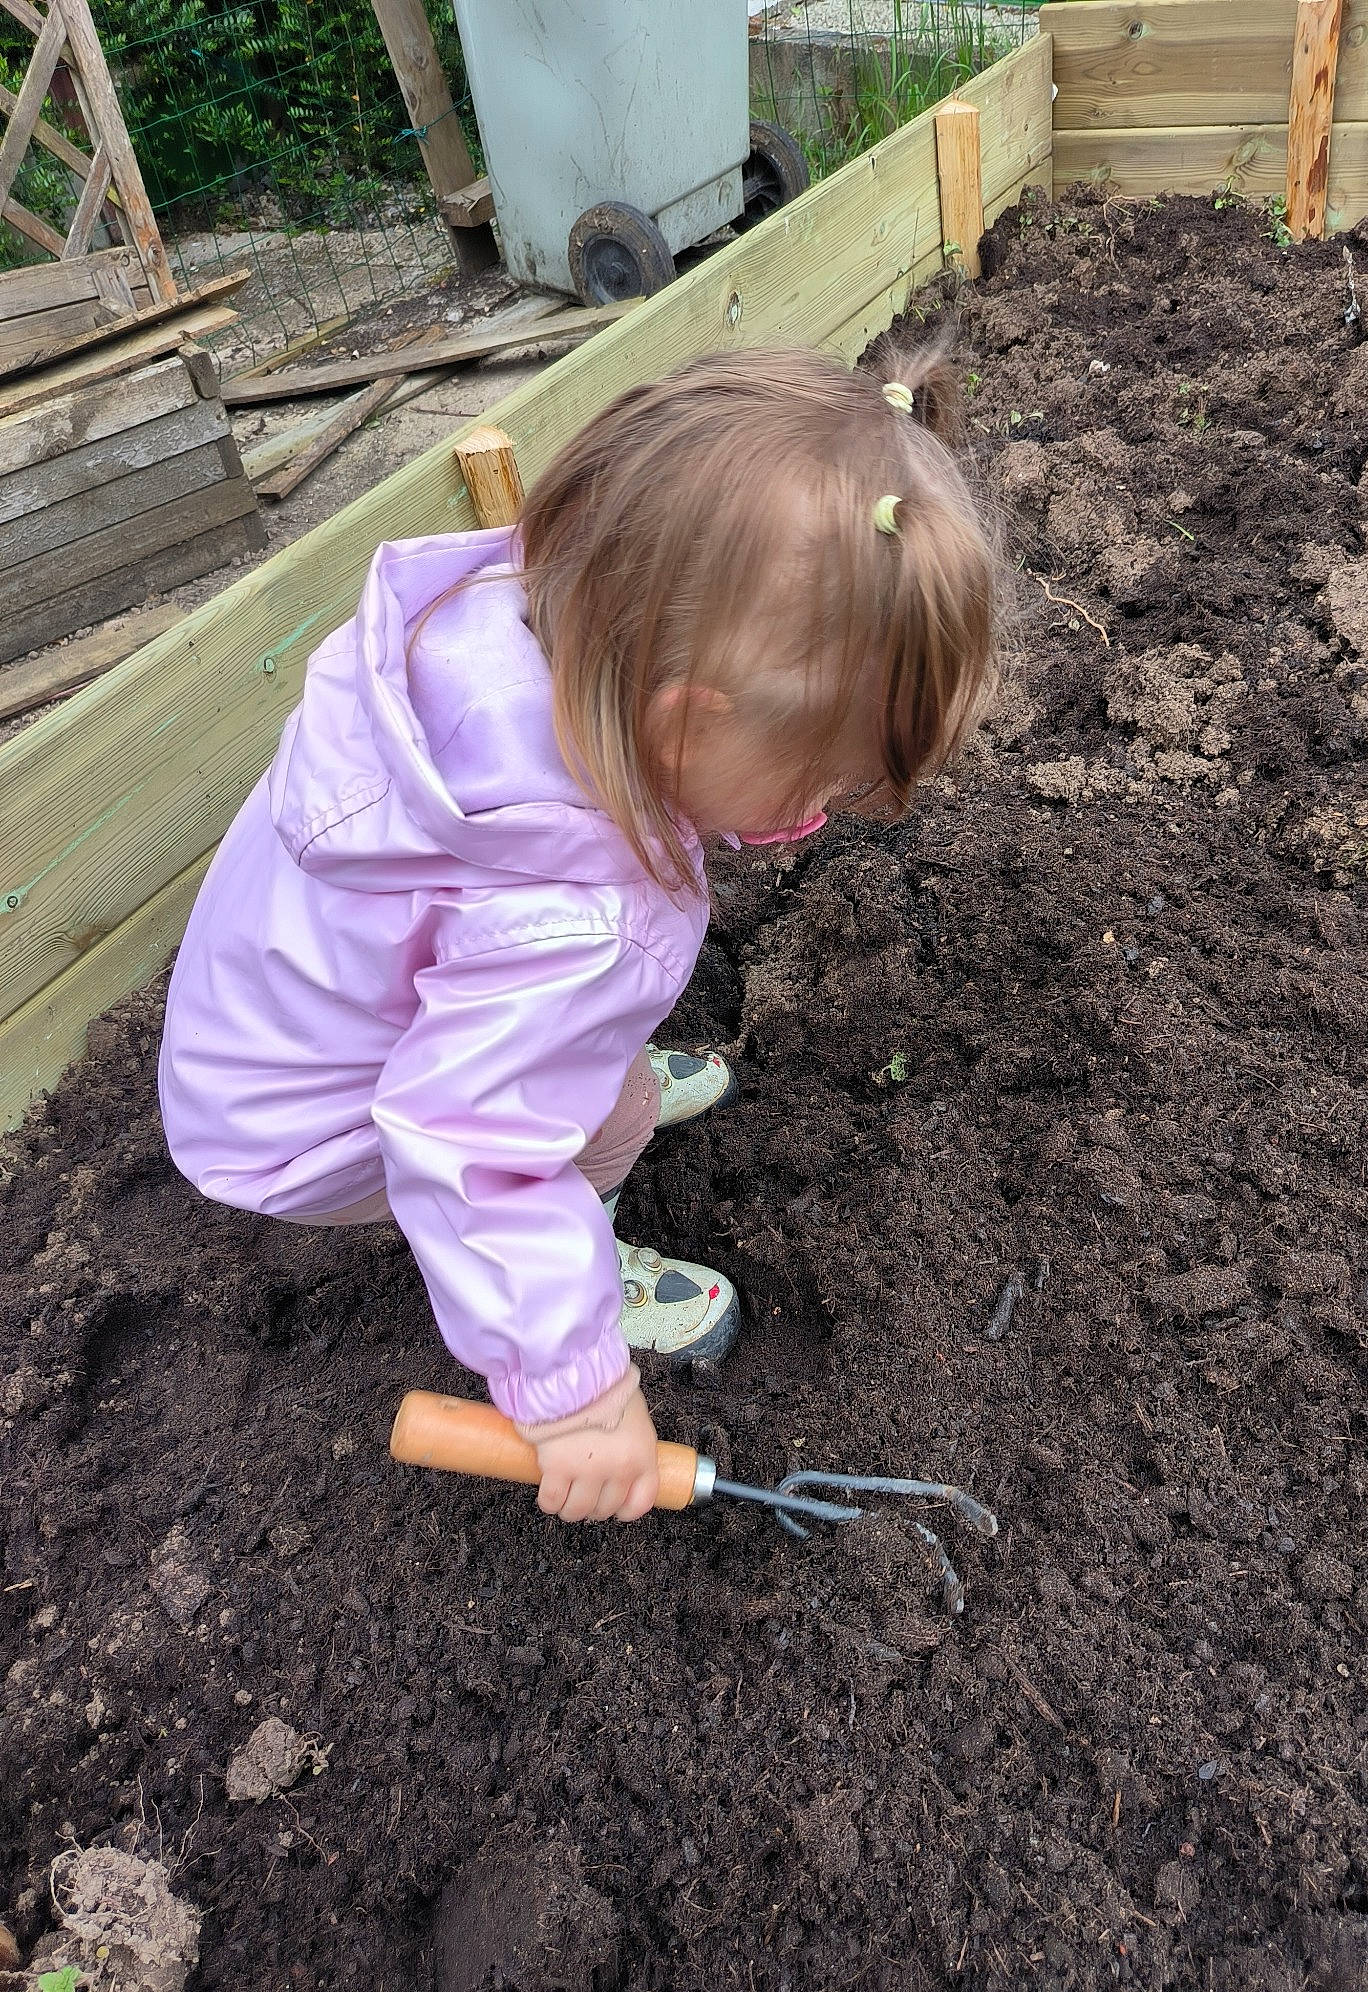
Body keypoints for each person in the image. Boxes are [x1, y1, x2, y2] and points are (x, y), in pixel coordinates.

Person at [158, 344, 993, 1525]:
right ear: (683, 721)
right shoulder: (585, 916)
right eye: (817, 786)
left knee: (553, 1052)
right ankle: (590, 1246)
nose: (814, 821)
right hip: (311, 1129)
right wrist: (576, 1390)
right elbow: (462, 1143)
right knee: (579, 1121)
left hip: (253, 1039)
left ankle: (552, 1067)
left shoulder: (503, 622)